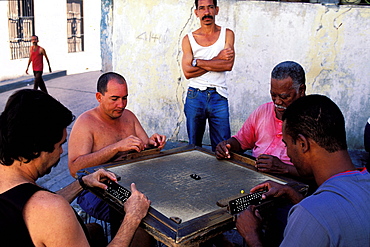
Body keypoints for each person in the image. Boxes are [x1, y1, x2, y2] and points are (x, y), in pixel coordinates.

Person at [0, 89, 151, 247]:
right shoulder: (51, 209)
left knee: (94, 230)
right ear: (36, 149)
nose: (61, 152)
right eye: (60, 145)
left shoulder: (13, 184)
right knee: (140, 233)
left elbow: (34, 203)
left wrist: (82, 183)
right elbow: (45, 207)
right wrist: (132, 218)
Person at [236, 94, 370, 247]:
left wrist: (252, 235)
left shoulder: (309, 215)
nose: (287, 154)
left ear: (302, 144)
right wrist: (295, 195)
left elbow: (318, 217)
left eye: (286, 145)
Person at [68, 72, 165, 243]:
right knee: (141, 215)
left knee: (162, 200)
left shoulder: (128, 116)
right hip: (97, 189)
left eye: (124, 98)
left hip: (131, 181)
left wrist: (152, 143)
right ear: (99, 97)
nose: (121, 104)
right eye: (114, 99)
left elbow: (144, 145)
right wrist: (115, 148)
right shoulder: (86, 122)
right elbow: (75, 169)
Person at [216, 61, 306, 177]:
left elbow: (319, 173)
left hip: (292, 185)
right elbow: (241, 141)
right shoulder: (262, 111)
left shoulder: (313, 120)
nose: (277, 102)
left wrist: (284, 168)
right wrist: (227, 146)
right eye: (273, 95)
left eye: (284, 97)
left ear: (301, 91)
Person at [181, 0, 235, 151]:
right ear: (196, 12)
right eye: (202, 8)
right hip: (195, 96)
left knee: (223, 147)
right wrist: (217, 59)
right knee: (193, 147)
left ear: (216, 10)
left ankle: (220, 176)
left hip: (219, 96)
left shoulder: (227, 34)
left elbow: (227, 65)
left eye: (210, 7)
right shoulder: (188, 39)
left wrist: (197, 62)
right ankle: (195, 175)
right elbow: (187, 72)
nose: (206, 12)